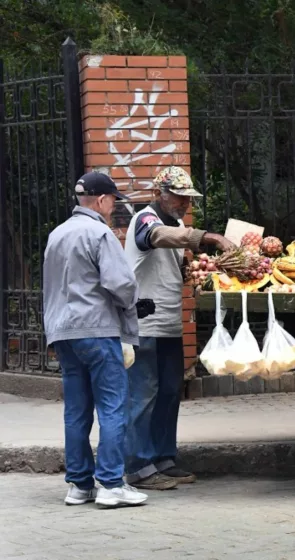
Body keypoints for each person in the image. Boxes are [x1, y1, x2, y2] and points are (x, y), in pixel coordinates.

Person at [124, 166, 235, 490]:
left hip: (170, 323)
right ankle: (138, 467)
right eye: (179, 196)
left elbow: (172, 265)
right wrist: (208, 237)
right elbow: (154, 238)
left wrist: (197, 270)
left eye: (188, 198)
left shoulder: (177, 224)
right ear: (160, 193)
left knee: (170, 392)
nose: (185, 203)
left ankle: (162, 458)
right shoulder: (146, 219)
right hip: (144, 324)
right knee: (144, 394)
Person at [43, 172, 148, 508]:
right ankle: (111, 484)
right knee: (113, 406)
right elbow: (120, 283)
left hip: (64, 333)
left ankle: (79, 485)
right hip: (97, 330)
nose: (113, 205)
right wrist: (133, 304)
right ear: (102, 200)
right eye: (112, 200)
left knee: (76, 411)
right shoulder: (99, 232)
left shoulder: (57, 234)